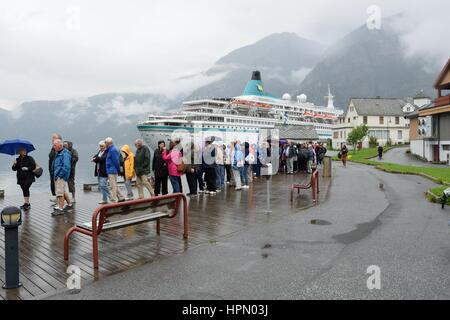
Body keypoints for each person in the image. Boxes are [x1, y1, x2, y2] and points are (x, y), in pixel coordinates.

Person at [52, 139, 72, 214]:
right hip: (57, 175)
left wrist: (60, 175)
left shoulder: (65, 154)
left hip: (61, 176)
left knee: (60, 193)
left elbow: (66, 167)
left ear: (60, 145)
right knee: (61, 191)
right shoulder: (58, 153)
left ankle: (60, 209)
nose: (53, 147)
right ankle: (65, 204)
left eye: (54, 145)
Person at [105, 137, 125, 202]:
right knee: (114, 185)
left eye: (105, 142)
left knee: (113, 186)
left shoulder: (113, 150)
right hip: (110, 170)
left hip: (112, 170)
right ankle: (121, 197)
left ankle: (113, 199)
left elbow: (116, 161)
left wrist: (118, 170)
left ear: (109, 143)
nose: (105, 144)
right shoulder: (109, 150)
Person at [49, 133, 62, 202]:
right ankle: (57, 198)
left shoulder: (60, 149)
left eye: (54, 138)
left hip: (57, 170)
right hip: (52, 169)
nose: (52, 139)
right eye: (52, 138)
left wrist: (60, 173)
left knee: (59, 187)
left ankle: (60, 202)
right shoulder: (53, 148)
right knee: (53, 185)